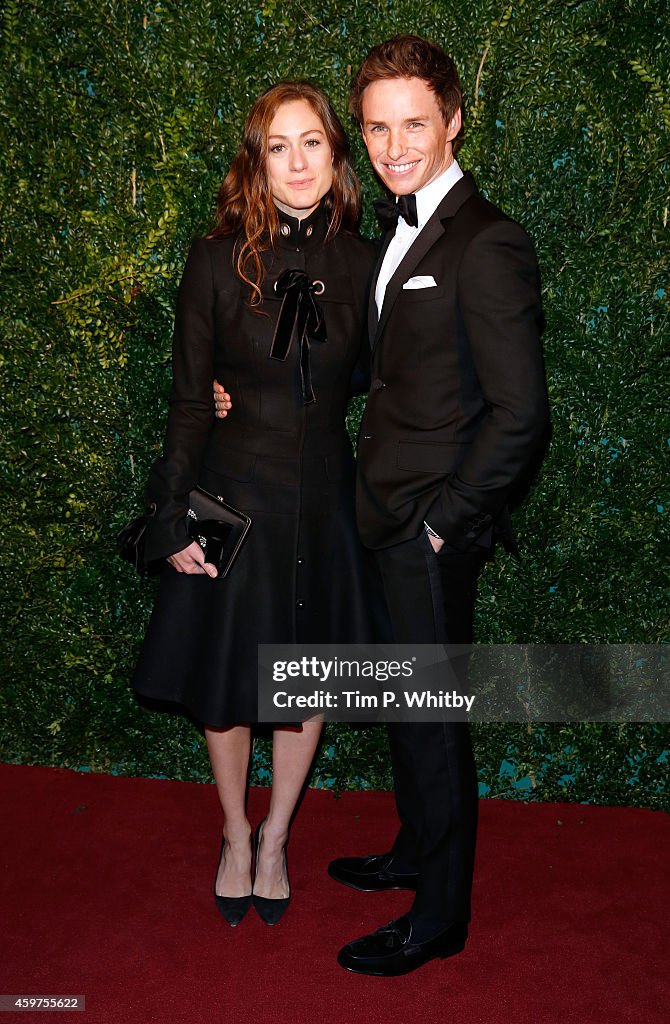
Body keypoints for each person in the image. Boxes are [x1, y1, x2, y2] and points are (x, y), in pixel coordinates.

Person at [217, 36, 549, 973]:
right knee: (409, 708)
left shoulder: (488, 241)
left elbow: (523, 415)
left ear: (452, 121)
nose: (396, 145)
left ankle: (439, 918)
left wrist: (446, 523)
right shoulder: (400, 231)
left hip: (429, 532)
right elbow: (368, 368)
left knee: (434, 724)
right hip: (384, 516)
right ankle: (414, 851)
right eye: (377, 127)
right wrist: (233, 389)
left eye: (415, 123)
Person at [132, 81, 382, 928]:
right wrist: (170, 512)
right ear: (257, 159)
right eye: (279, 146)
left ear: (337, 156)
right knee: (230, 683)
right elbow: (187, 402)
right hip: (233, 500)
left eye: (313, 142)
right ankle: (235, 833)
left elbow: (375, 383)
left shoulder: (366, 263)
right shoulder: (213, 260)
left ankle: (277, 837)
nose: (298, 162)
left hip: (324, 506)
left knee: (302, 684)